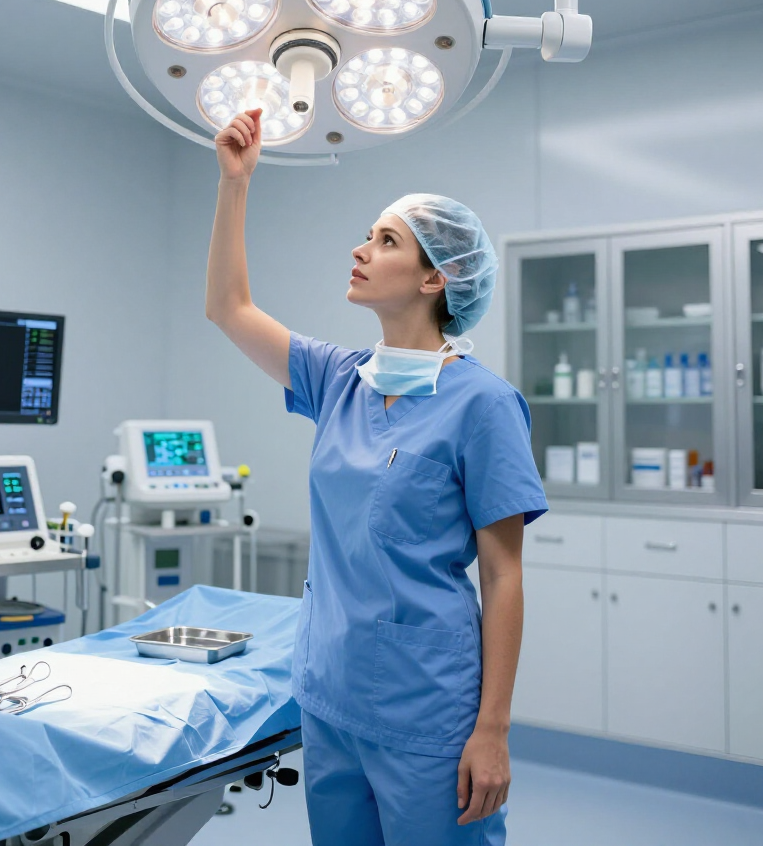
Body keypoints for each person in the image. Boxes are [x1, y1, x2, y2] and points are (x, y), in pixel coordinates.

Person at [206, 108, 547, 846]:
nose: (360, 250)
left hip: (427, 710)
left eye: (385, 240)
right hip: (329, 696)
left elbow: (504, 576)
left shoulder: (483, 404)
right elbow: (228, 308)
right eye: (367, 234)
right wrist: (236, 183)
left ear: (436, 276)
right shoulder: (339, 378)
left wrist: (493, 730)